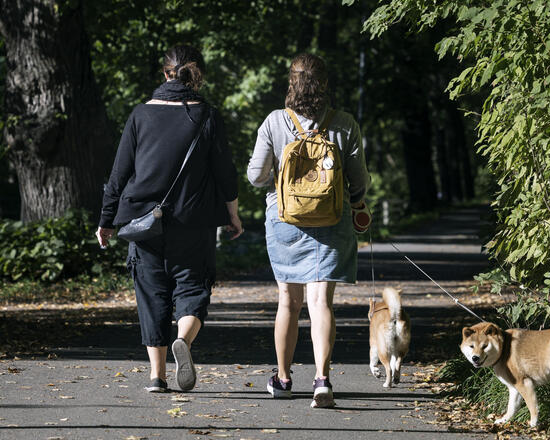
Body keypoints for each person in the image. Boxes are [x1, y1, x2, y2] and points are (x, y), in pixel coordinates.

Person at [96, 45, 243, 393]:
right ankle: (184, 341)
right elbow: (225, 172)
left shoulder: (140, 115)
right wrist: (232, 216)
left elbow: (119, 175)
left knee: (151, 293)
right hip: (194, 221)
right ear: (197, 74)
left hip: (143, 223)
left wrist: (106, 221)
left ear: (165, 73)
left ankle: (157, 377)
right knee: (192, 287)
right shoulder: (207, 115)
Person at [247, 53, 370, 408]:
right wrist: (356, 201)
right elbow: (360, 181)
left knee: (289, 300)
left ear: (291, 82)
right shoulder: (344, 123)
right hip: (331, 221)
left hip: (285, 220)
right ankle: (322, 380)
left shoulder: (274, 122)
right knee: (320, 302)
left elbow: (256, 177)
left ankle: (283, 379)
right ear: (325, 83)